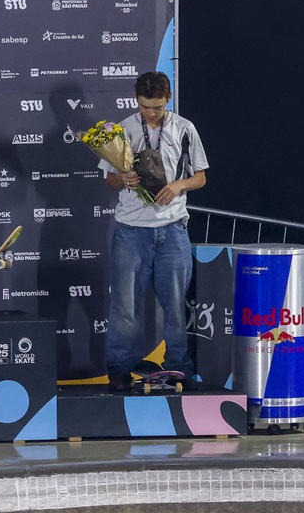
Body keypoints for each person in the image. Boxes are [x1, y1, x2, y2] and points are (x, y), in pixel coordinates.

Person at [99, 71, 209, 390]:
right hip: (131, 231)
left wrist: (178, 185)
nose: (151, 113)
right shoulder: (122, 129)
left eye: (157, 107)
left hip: (173, 229)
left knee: (175, 305)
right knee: (124, 306)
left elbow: (201, 176)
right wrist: (122, 179)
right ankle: (119, 369)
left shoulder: (185, 129)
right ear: (137, 100)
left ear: (168, 99)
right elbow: (108, 179)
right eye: (145, 106)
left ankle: (179, 368)